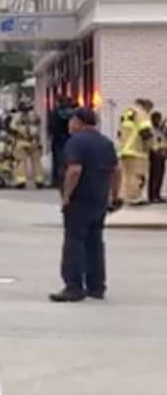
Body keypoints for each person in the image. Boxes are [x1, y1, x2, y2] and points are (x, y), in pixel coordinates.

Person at [51, 107, 121, 302]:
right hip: (99, 200)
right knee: (95, 242)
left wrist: (66, 197)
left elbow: (74, 170)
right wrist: (114, 196)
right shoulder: (106, 143)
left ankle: (73, 286)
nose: (69, 124)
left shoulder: (76, 142)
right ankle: (96, 286)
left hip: (80, 199)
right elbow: (116, 171)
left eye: (71, 120)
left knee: (74, 241)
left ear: (79, 122)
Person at [116, 99, 154, 206]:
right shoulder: (141, 113)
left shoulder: (126, 113)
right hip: (137, 150)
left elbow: (120, 132)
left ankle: (123, 197)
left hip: (124, 150)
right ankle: (134, 198)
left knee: (126, 175)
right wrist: (152, 147)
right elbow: (145, 132)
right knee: (137, 176)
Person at [11, 99, 46, 189]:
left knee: (21, 161)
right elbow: (39, 125)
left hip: (22, 141)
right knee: (37, 162)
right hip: (34, 142)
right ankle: (39, 180)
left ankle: (21, 180)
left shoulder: (17, 116)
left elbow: (12, 127)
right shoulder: (34, 116)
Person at [49, 96, 75, 189]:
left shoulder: (55, 113)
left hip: (58, 140)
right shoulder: (73, 114)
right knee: (70, 160)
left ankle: (57, 181)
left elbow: (51, 126)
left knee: (58, 161)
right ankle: (68, 180)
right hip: (70, 139)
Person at [149, 110, 166, 204]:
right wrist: (156, 150)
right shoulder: (151, 129)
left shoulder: (160, 129)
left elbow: (163, 140)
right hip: (155, 154)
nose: (158, 120)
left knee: (160, 175)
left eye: (159, 118)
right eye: (156, 118)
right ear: (152, 119)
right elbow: (151, 142)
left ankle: (157, 194)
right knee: (155, 175)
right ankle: (153, 196)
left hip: (162, 154)